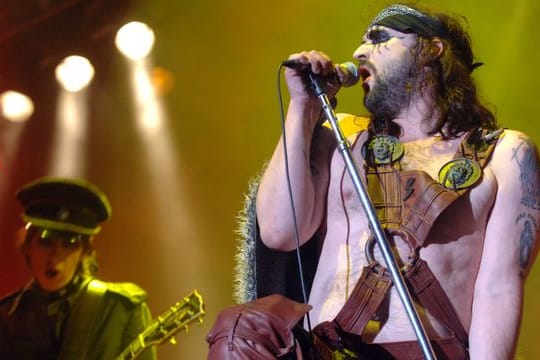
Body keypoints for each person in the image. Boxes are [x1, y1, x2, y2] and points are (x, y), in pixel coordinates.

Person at [206, 3, 540, 359]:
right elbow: (279, 231)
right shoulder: (342, 136)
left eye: (380, 38)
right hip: (328, 348)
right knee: (236, 329)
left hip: (430, 349)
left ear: (433, 48)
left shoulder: (504, 153)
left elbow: (498, 287)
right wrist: (302, 108)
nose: (358, 51)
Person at [0, 177, 157, 359]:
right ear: (27, 246)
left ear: (84, 251)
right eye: (45, 240)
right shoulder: (5, 316)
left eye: (69, 243)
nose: (55, 256)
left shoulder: (122, 310)